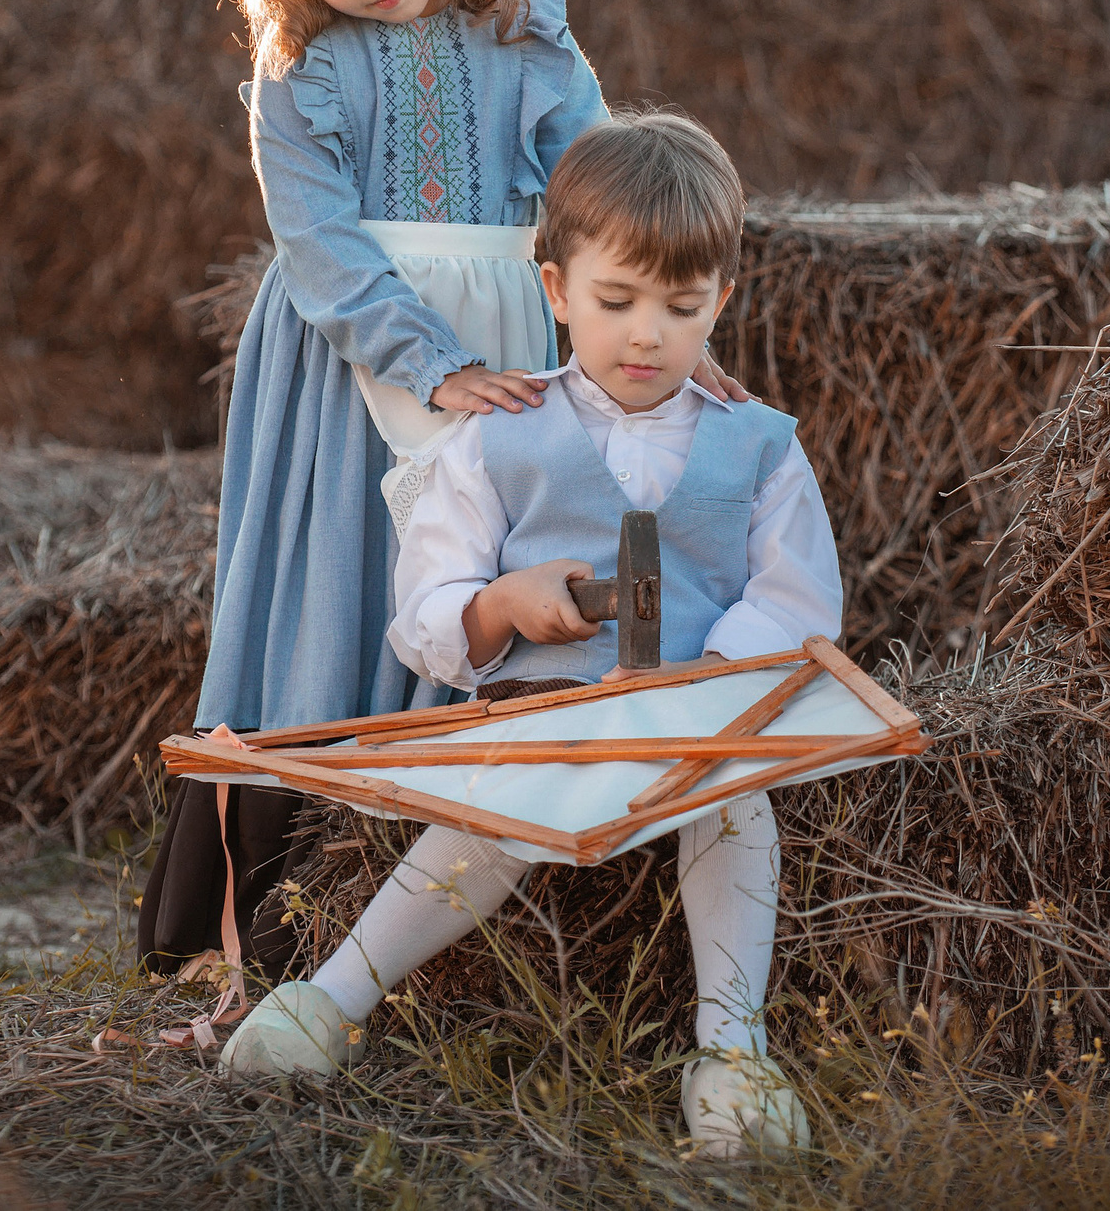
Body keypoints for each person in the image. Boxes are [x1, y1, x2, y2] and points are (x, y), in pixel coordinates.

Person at [138, 0, 744, 984]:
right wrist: (425, 359)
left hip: (509, 334)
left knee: (486, 563)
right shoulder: (300, 72)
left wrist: (660, 347)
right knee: (344, 572)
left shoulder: (525, 27)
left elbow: (598, 197)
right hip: (351, 354)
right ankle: (288, 911)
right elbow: (316, 243)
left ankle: (458, 897)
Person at [218, 112, 839, 1158]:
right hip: (541, 706)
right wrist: (504, 605)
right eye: (616, 301)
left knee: (734, 802)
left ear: (722, 301)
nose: (647, 336)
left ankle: (734, 1051)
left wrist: (713, 673)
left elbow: (798, 596)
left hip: (698, 713)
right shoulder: (498, 435)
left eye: (682, 307)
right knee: (491, 808)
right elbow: (428, 605)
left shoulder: (759, 445)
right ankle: (329, 1000)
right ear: (554, 288)